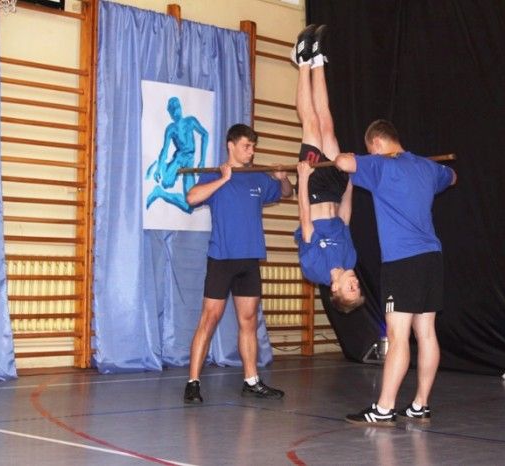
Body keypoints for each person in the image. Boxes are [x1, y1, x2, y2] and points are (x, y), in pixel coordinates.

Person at [335, 120, 457, 426]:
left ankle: (384, 408)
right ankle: (420, 405)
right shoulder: (428, 168)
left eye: (369, 149)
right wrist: (428, 170)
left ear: (376, 143)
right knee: (426, 333)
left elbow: (343, 163)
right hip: (432, 258)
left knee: (397, 335)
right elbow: (452, 176)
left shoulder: (380, 165)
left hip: (403, 261)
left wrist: (351, 157)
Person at [183, 123, 293, 403]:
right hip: (221, 259)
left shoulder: (257, 177)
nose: (251, 151)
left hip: (249, 259)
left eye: (253, 147)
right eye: (246, 146)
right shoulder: (214, 175)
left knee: (248, 321)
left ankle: (251, 381)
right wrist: (224, 179)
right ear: (231, 146)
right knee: (209, 319)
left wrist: (282, 179)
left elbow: (286, 193)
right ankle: (193, 382)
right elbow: (191, 198)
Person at [291, 24, 364, 313]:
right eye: (357, 287)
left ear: (335, 289)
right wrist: (350, 182)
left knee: (310, 124)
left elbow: (305, 221)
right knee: (327, 124)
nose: (355, 283)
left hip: (313, 190)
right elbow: (345, 218)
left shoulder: (315, 270)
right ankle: (319, 59)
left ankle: (302, 61)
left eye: (351, 289)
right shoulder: (350, 259)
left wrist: (303, 179)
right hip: (334, 188)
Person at [146, 96, 209, 213]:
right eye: (173, 108)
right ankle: (163, 167)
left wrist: (202, 160)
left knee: (190, 206)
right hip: (179, 158)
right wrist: (158, 169)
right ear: (170, 113)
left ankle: (159, 193)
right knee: (166, 182)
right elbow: (164, 150)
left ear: (181, 107)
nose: (176, 110)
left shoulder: (190, 121)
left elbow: (205, 134)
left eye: (177, 106)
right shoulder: (171, 129)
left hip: (190, 160)